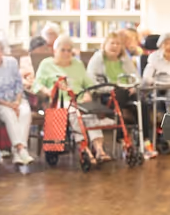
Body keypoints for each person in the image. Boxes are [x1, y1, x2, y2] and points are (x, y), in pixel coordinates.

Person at [33, 35, 111, 163]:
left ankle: (99, 150)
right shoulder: (46, 64)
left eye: (69, 50)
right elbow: (37, 84)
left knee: (90, 115)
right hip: (59, 101)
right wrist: (47, 91)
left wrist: (88, 93)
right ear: (55, 51)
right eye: (63, 50)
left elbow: (89, 84)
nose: (66, 53)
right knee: (75, 114)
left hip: (79, 99)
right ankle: (85, 149)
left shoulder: (77, 64)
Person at [86, 32, 153, 154]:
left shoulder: (124, 59)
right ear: (105, 45)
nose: (115, 46)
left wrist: (134, 86)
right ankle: (122, 139)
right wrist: (109, 89)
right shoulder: (97, 59)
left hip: (125, 92)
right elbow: (91, 82)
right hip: (105, 94)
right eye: (112, 43)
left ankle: (146, 141)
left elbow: (136, 77)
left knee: (142, 104)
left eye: (118, 44)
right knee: (119, 96)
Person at [0, 36, 34, 166]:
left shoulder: (12, 62)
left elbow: (19, 84)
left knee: (25, 112)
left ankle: (17, 153)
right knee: (10, 115)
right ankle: (21, 149)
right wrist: (9, 104)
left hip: (17, 99)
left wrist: (17, 101)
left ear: (3, 50)